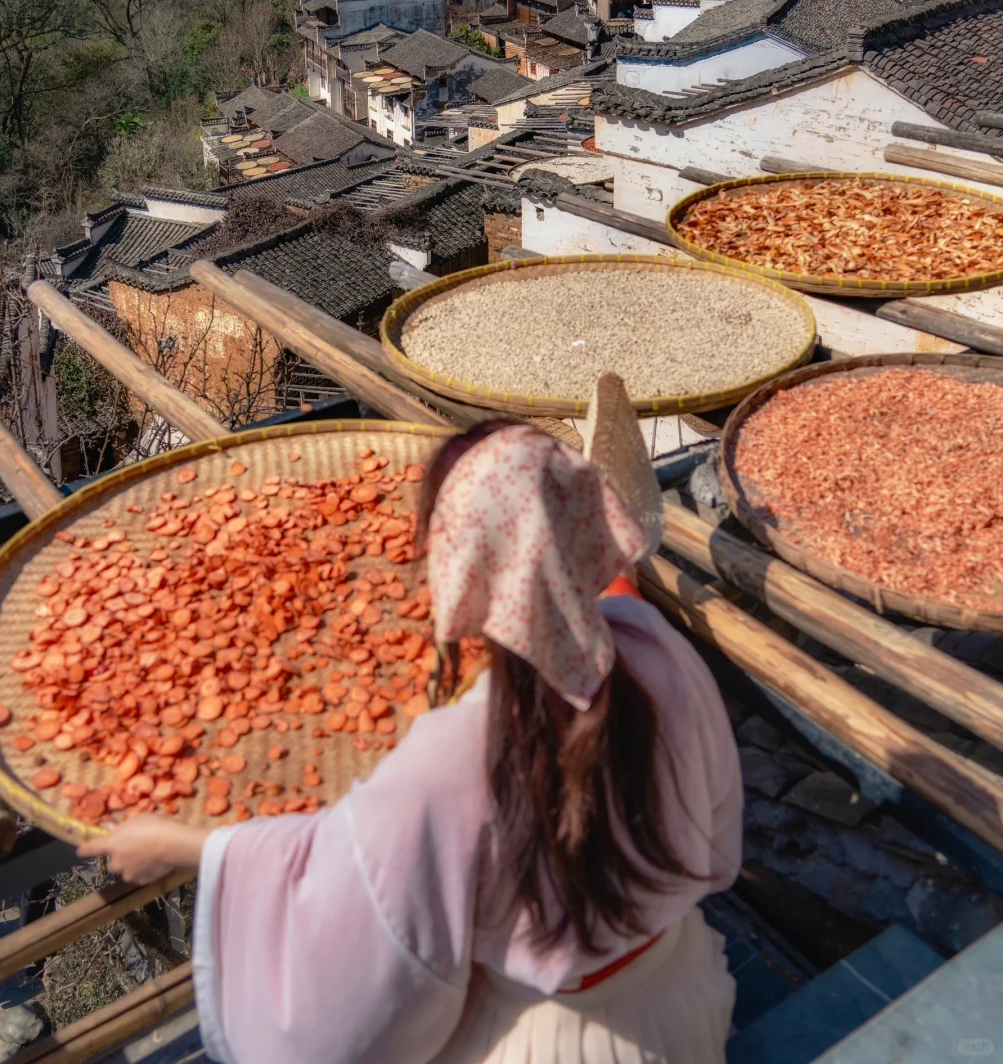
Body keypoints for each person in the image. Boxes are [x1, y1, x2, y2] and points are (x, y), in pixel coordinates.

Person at [81, 422, 742, 1064]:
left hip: (550, 1039)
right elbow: (718, 843)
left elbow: (355, 921)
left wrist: (191, 848)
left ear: (460, 569)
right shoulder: (659, 650)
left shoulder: (452, 756)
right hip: (682, 996)